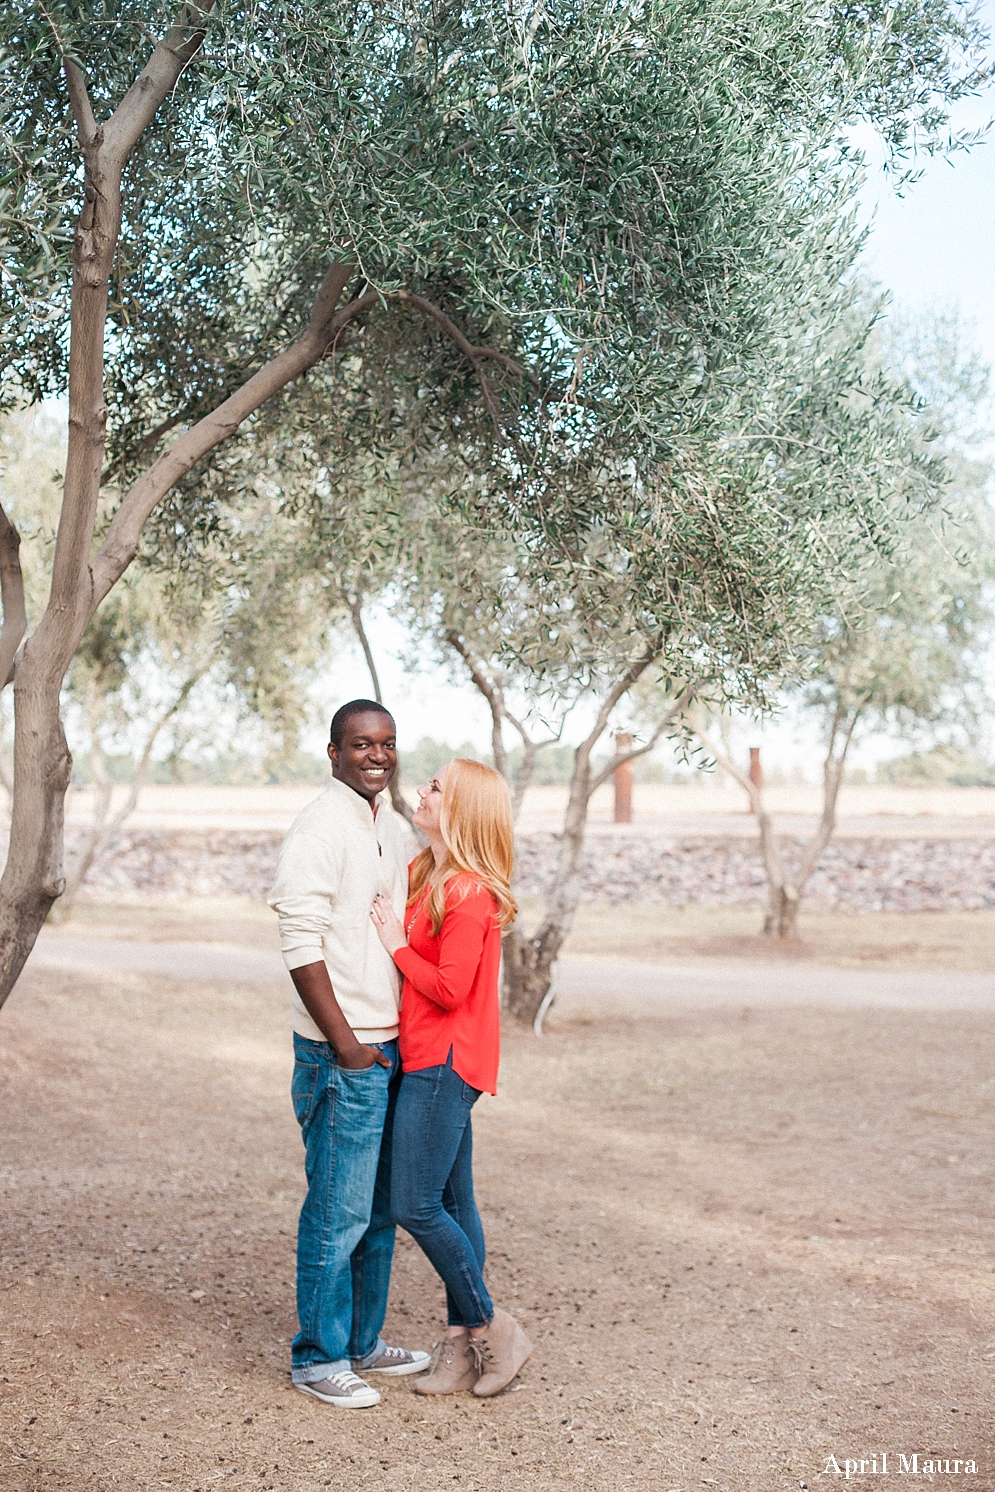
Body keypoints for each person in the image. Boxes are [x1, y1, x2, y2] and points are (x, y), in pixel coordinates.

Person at [268, 699, 429, 1409]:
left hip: (393, 1050)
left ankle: (363, 1342)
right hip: (344, 1055)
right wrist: (346, 1048)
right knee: (337, 1210)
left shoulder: (391, 828)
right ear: (333, 752)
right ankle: (318, 1358)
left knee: (382, 1210)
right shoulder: (319, 827)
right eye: (361, 744)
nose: (377, 756)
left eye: (388, 744)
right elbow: (300, 944)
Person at [370, 758, 533, 1397]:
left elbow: (448, 987)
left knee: (415, 1202)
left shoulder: (468, 892)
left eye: (435, 788)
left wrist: (393, 944)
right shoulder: (424, 872)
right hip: (421, 1055)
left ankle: (495, 1326)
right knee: (457, 1204)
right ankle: (462, 1349)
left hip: (446, 1062)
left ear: (461, 809)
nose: (421, 791)